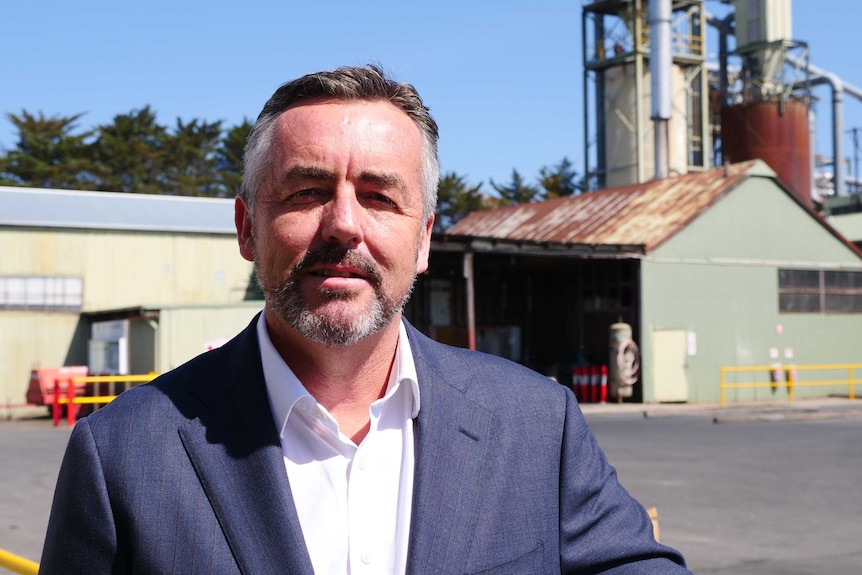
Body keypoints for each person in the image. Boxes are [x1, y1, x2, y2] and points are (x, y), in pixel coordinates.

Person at [40, 64, 691, 574]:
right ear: (246, 228)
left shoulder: (536, 427)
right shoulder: (125, 453)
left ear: (425, 238)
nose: (344, 223)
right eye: (307, 192)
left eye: (379, 196)